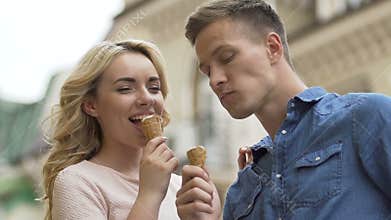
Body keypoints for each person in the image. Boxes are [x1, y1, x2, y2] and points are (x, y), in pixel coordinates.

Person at [176, 0, 391, 219]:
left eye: (227, 57)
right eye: (207, 72)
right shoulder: (242, 191)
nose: (215, 80)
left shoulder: (365, 117)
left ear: (272, 48)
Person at [41, 39, 181, 220]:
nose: (147, 98)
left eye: (154, 88)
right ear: (91, 105)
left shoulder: (179, 187)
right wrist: (149, 196)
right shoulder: (77, 183)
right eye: (125, 89)